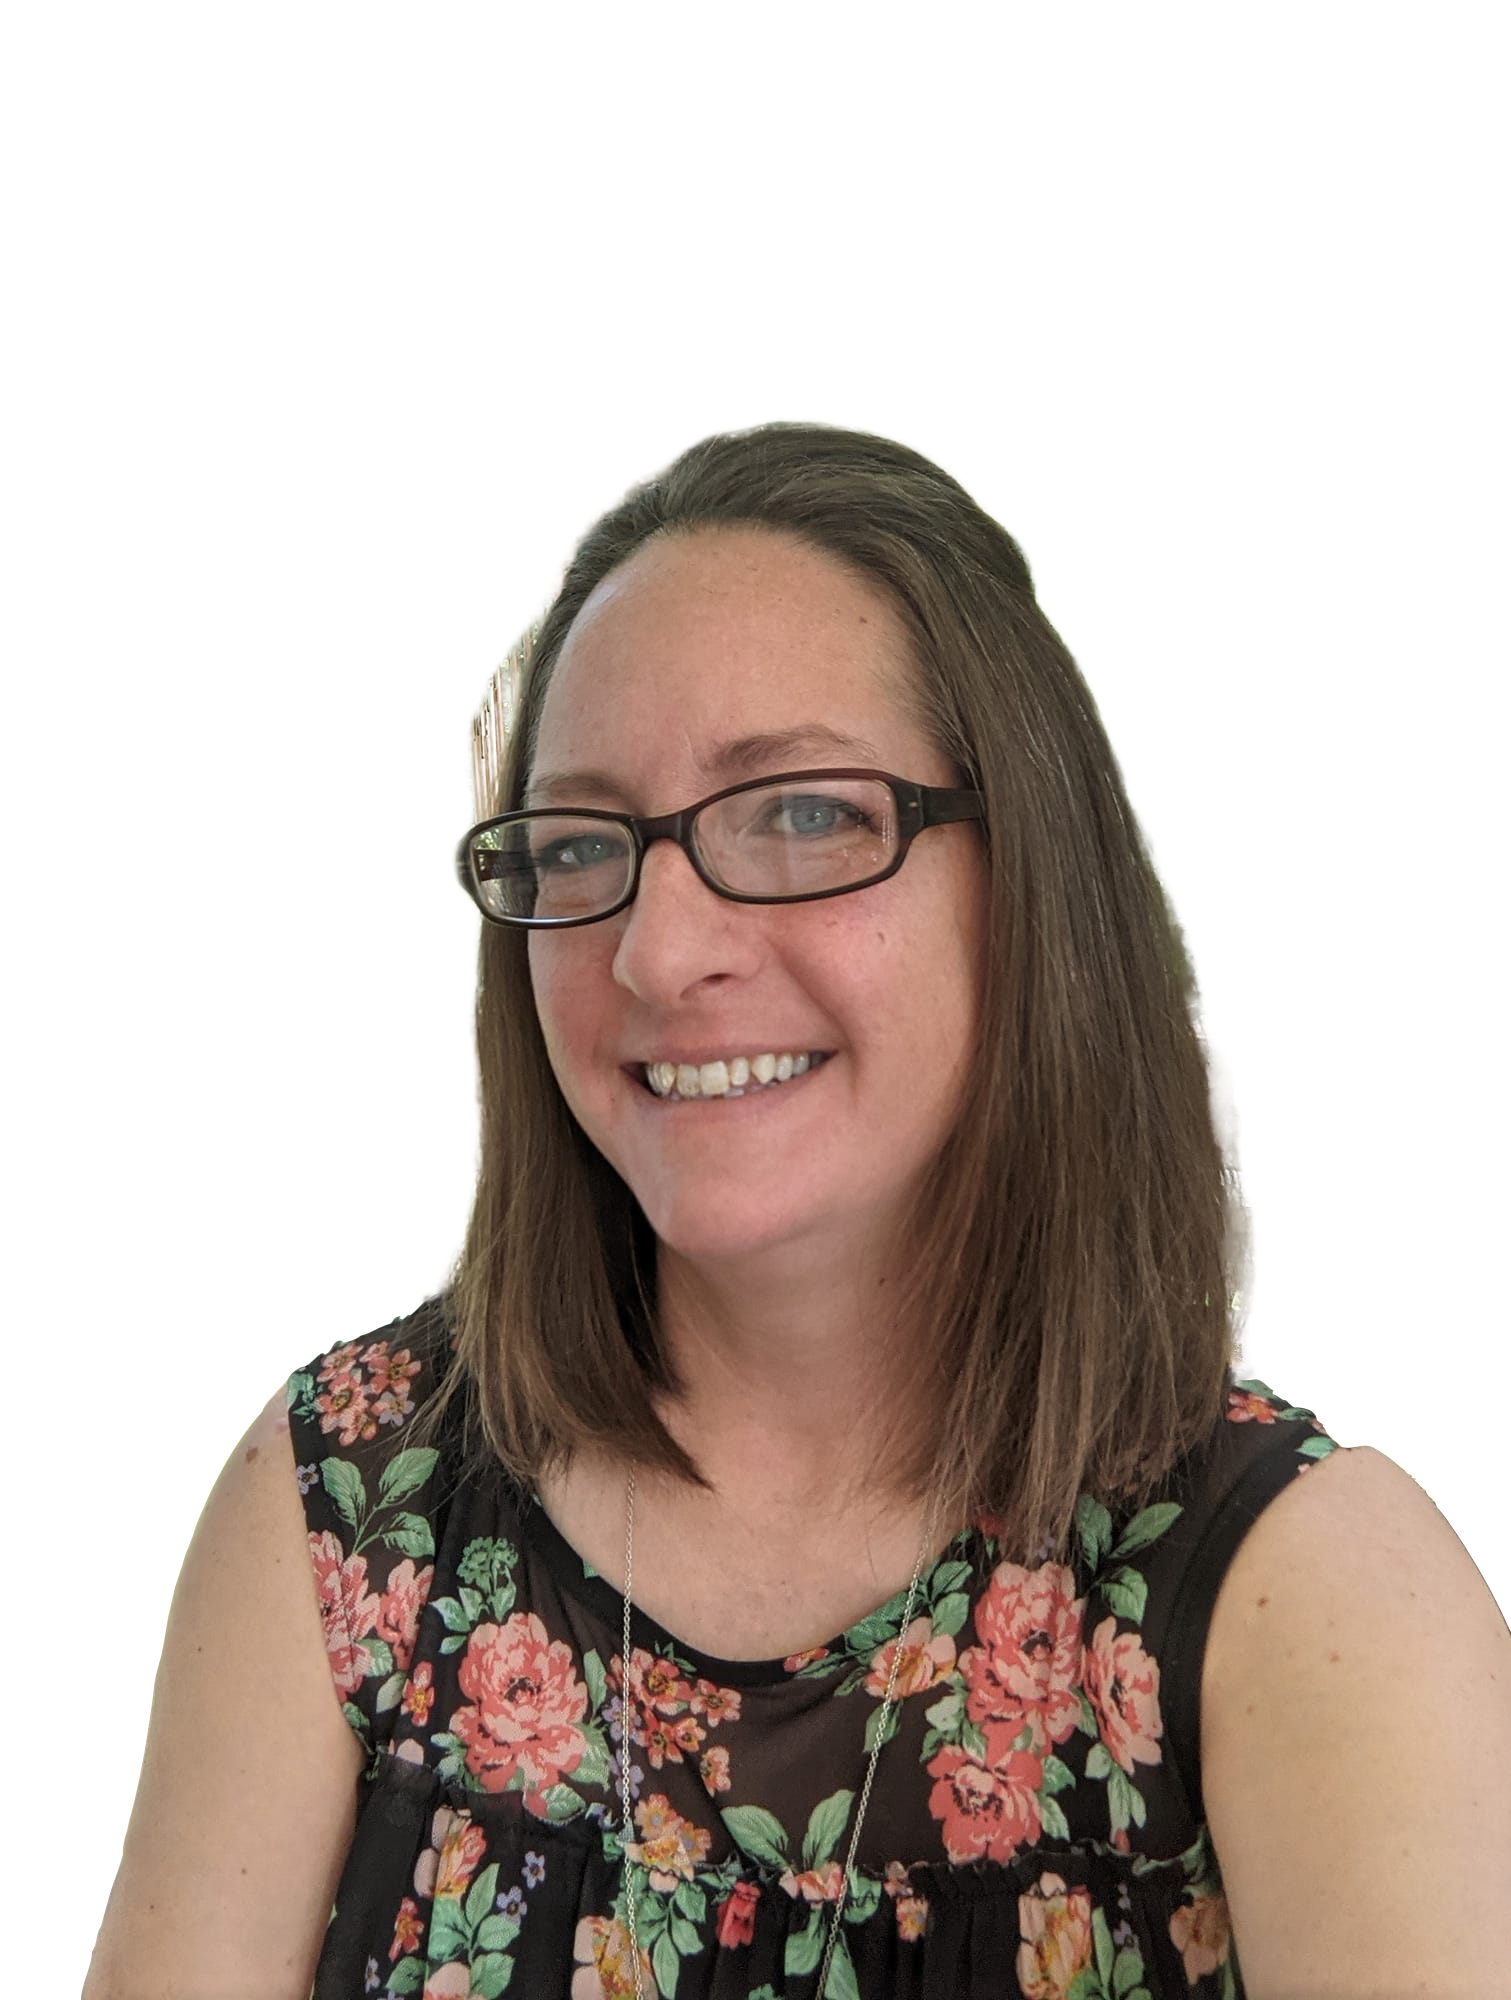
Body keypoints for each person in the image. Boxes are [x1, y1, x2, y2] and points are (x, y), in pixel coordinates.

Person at [87, 420, 1511, 1999]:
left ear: (1023, 876)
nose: (653, 951)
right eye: (580, 842)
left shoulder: (1311, 1599)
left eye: (805, 813)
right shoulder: (340, 1504)